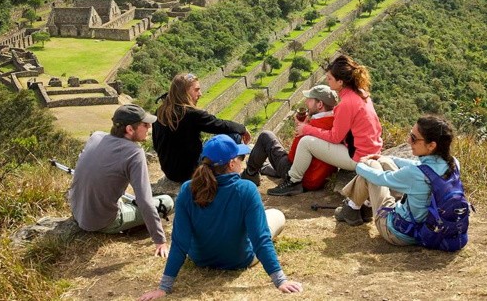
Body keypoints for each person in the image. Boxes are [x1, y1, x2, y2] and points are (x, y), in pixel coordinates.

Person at [138, 135, 303, 300]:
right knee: (276, 215)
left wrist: (164, 287)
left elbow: (180, 242)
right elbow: (260, 239)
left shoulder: (188, 189)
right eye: (240, 158)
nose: (242, 162)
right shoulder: (247, 189)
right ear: (232, 164)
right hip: (239, 260)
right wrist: (280, 280)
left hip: (200, 259)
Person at [268, 54, 383, 196]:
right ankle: (293, 179)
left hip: (358, 157)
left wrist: (307, 129)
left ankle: (293, 181)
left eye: (330, 78)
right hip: (372, 150)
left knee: (306, 142)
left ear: (340, 82)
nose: (328, 82)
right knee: (310, 138)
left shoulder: (346, 103)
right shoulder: (361, 94)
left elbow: (335, 137)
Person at [68, 104, 173, 257]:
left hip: (78, 212)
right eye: (145, 124)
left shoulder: (96, 136)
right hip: (103, 221)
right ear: (130, 129)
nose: (149, 127)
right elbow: (145, 201)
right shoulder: (134, 153)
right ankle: (131, 226)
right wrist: (160, 240)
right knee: (167, 201)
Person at [336, 115, 458, 245]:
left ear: (431, 145)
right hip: (426, 227)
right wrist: (388, 158)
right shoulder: (453, 163)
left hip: (397, 233)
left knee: (371, 166)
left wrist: (359, 165)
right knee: (383, 162)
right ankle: (359, 207)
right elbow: (419, 167)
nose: (408, 141)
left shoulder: (414, 174)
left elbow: (380, 178)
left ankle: (352, 207)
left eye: (414, 138)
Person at [153, 73, 252, 184]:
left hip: (171, 173)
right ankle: (225, 174)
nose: (200, 94)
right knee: (234, 135)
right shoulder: (191, 114)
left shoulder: (160, 111)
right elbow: (219, 125)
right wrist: (242, 129)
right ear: (184, 92)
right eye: (196, 90)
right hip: (191, 172)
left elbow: (156, 145)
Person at [243, 84, 338, 191]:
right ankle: (265, 168)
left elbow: (292, 158)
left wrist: (300, 129)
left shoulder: (312, 127)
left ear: (320, 104)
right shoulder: (337, 122)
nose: (306, 102)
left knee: (266, 136)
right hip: (322, 176)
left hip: (304, 178)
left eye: (310, 100)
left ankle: (250, 174)